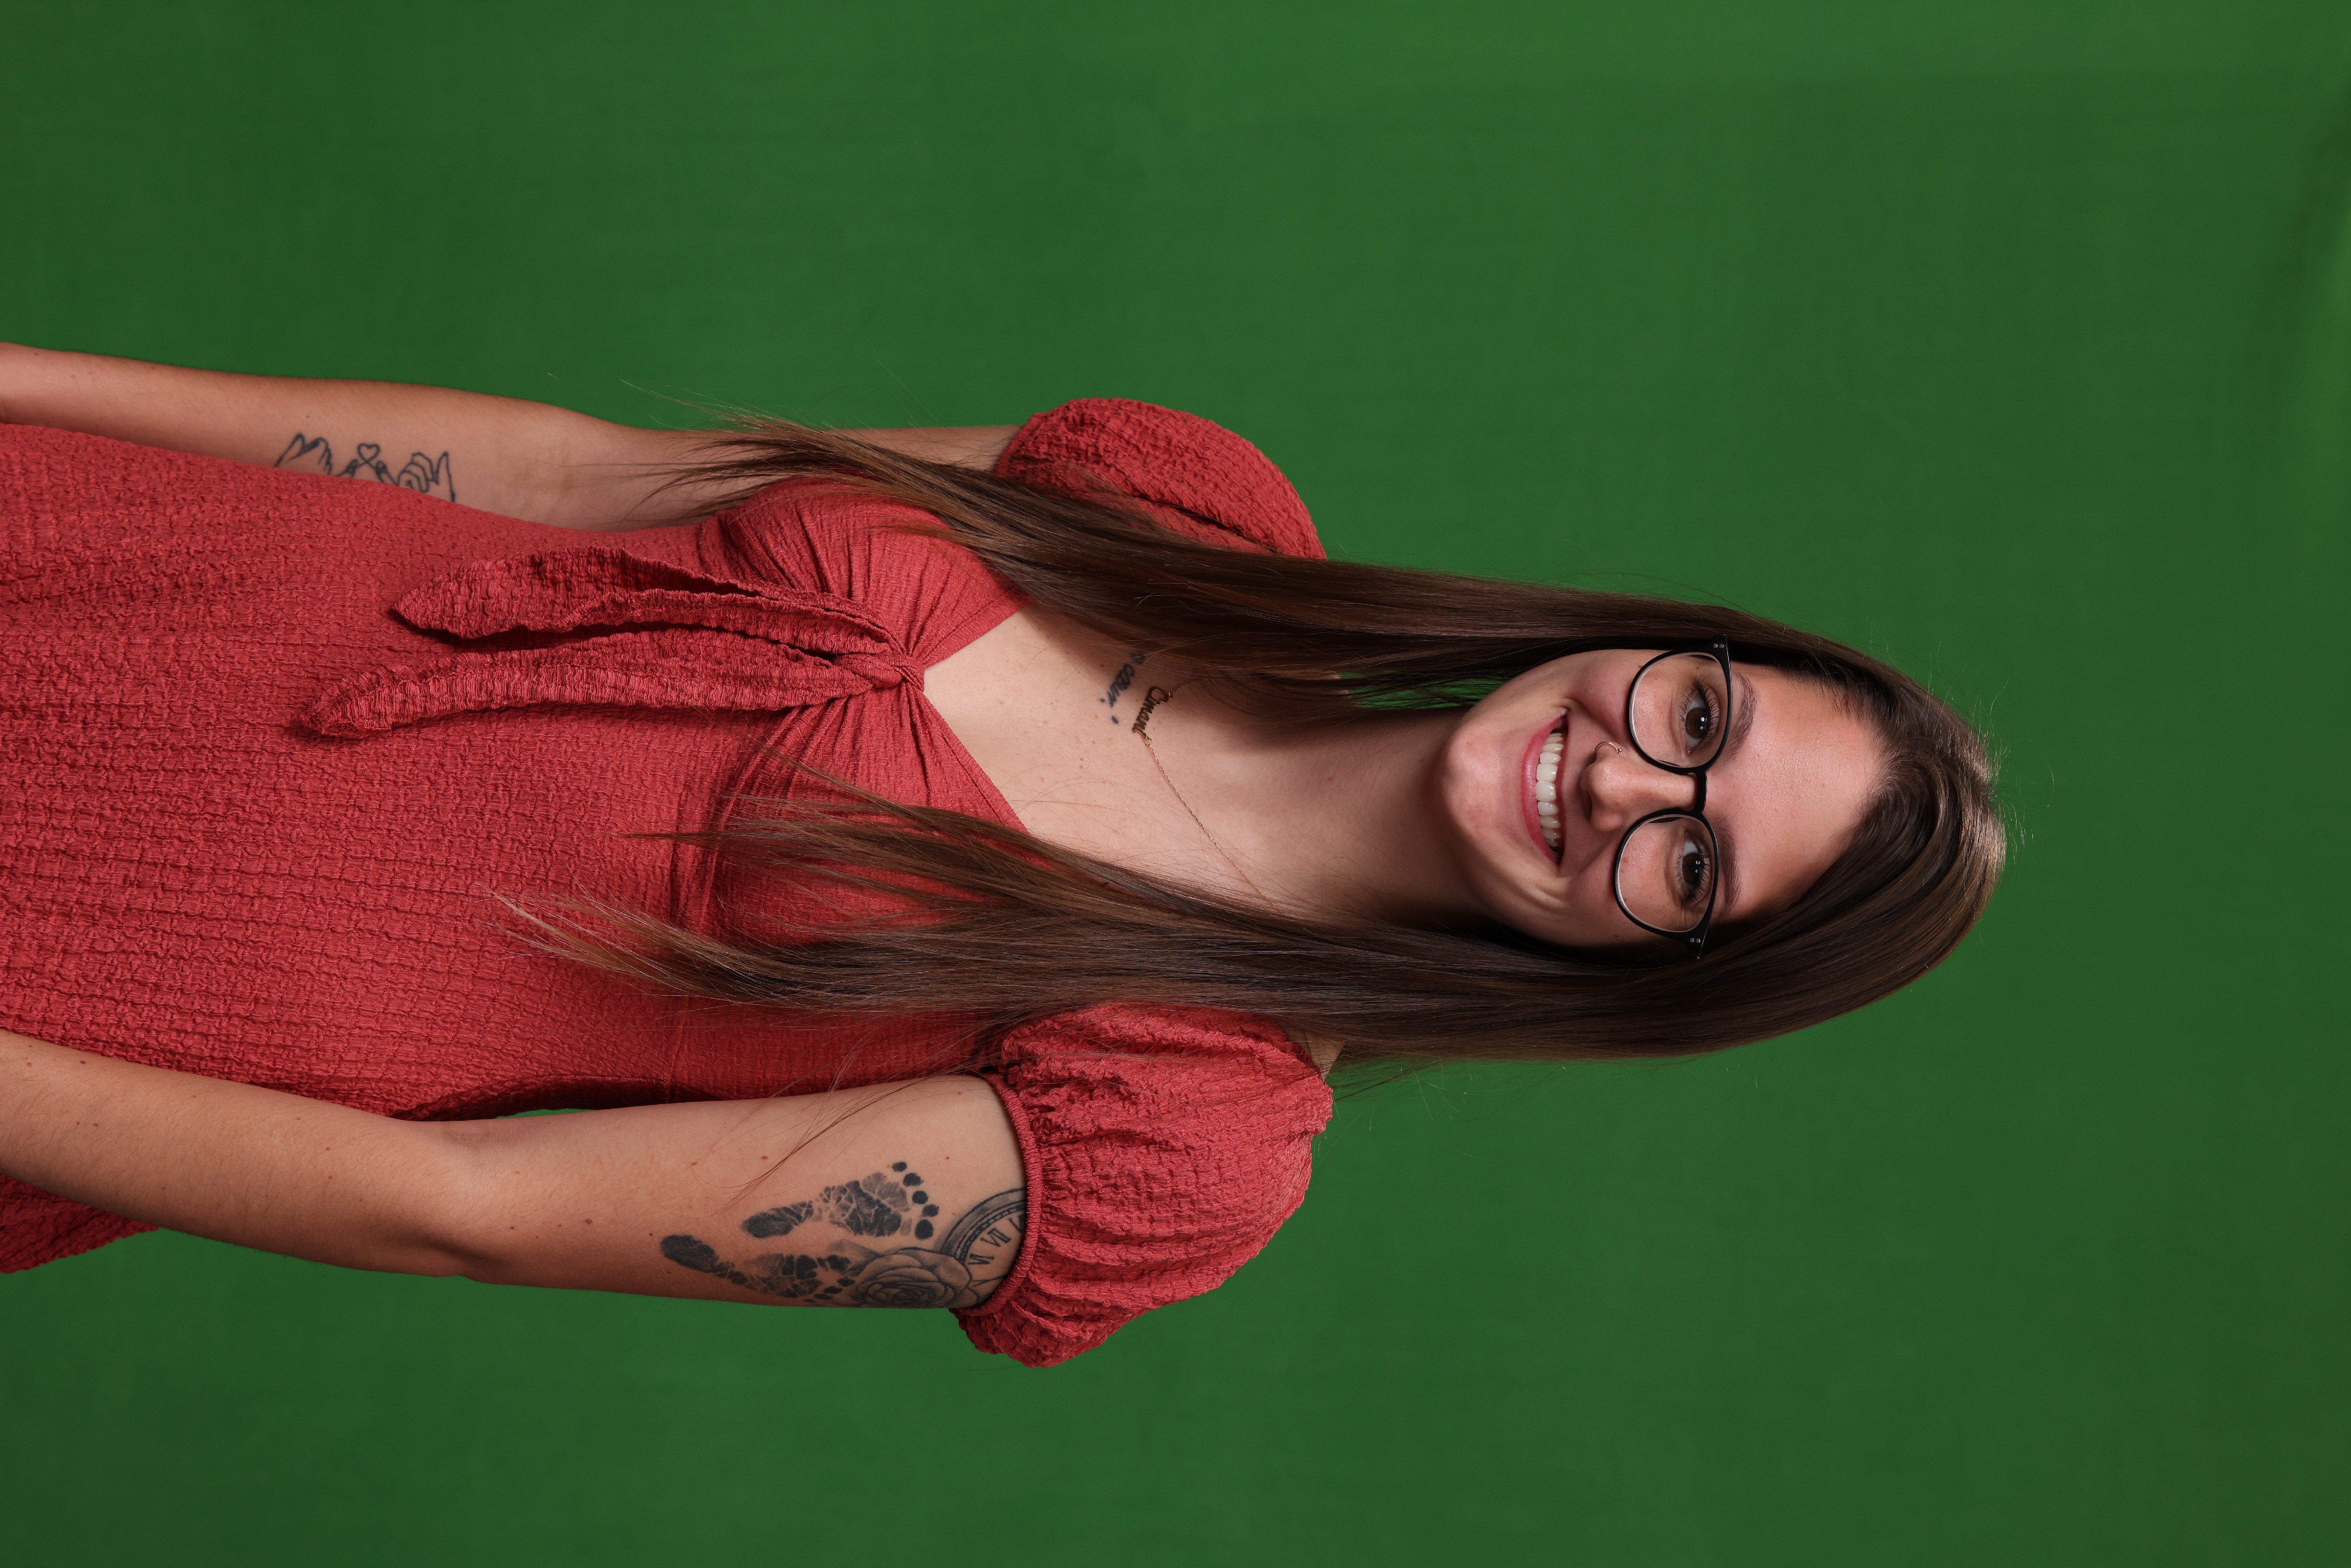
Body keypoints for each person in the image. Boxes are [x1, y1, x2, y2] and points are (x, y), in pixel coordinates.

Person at [0, 344, 2004, 1365]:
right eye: (1699, 719)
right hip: (80, 556)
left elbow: (459, 1211)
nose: (1634, 783)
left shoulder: (1176, 1130)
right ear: (1664, 646)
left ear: (1658, 977)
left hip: (63, 986)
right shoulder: (1179, 507)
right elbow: (568, 471)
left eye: (1695, 866)